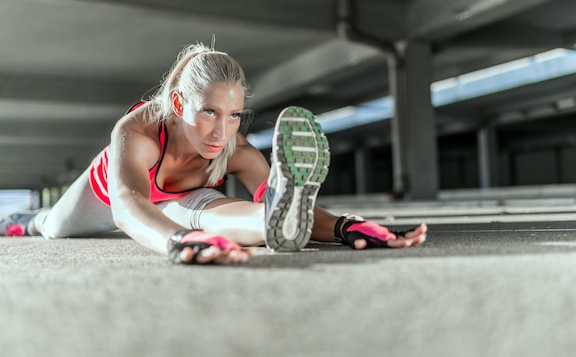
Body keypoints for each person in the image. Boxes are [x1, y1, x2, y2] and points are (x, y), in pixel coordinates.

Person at [0, 41, 427, 264]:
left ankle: (252, 227)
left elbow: (288, 207)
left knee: (249, 211)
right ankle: (24, 221)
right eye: (209, 112)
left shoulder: (234, 147)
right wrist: (177, 241)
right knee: (52, 226)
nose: (222, 131)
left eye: (235, 114)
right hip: (107, 196)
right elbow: (127, 207)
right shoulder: (137, 131)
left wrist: (344, 227)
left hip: (182, 199)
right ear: (182, 105)